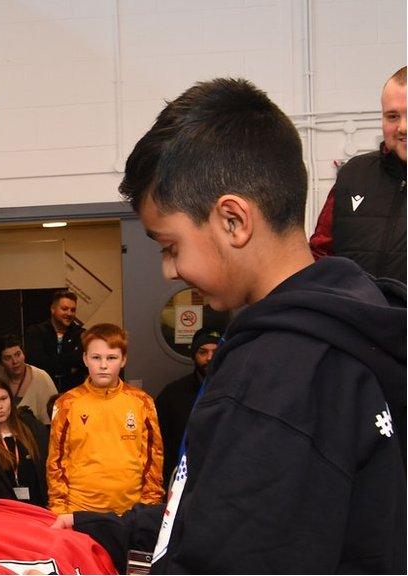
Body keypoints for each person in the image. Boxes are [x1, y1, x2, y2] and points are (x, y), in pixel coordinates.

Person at [53, 78, 406, 574]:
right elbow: (235, 516)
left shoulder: (270, 383)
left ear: (235, 221)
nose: (169, 271)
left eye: (171, 246)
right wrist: (113, 531)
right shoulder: (353, 313)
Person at [46, 323, 164, 515]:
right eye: (96, 357)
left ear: (123, 360)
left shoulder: (142, 402)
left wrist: (148, 509)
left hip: (130, 511)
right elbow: (56, 461)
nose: (103, 365)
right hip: (80, 511)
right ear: (85, 359)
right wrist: (59, 510)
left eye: (111, 358)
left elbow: (153, 459)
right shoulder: (67, 403)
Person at [309, 66, 406, 283]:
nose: (402, 127)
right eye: (392, 116)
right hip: (353, 315)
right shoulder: (353, 175)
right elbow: (319, 255)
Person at [154, 326, 222, 486]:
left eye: (216, 352)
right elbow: (157, 443)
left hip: (222, 476)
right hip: (181, 479)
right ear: (194, 355)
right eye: (203, 352)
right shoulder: (173, 394)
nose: (210, 358)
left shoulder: (236, 390)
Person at [0, 374, 49, 507]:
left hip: (40, 509)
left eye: (3, 398)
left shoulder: (31, 426)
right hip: (6, 513)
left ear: (11, 399)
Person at [24, 290, 87, 393]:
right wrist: (70, 367)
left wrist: (52, 361)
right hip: (43, 391)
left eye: (73, 310)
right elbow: (36, 364)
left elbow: (83, 364)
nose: (69, 313)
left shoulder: (81, 334)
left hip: (73, 393)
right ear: (53, 309)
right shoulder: (35, 332)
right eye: (64, 309)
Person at [0, 334, 59, 425]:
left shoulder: (41, 378)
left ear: (23, 354)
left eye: (18, 354)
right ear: (1, 362)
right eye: (8, 358)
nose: (15, 361)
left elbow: (54, 419)